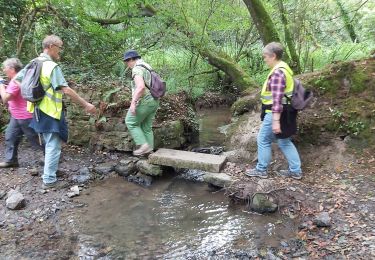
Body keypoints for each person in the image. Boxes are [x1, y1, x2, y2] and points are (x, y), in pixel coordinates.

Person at [15, 35, 96, 188]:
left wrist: (33, 95)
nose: (60, 51)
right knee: (53, 144)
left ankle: (50, 172)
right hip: (50, 110)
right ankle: (49, 180)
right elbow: (66, 89)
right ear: (51, 46)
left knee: (49, 142)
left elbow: (18, 80)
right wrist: (86, 105)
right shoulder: (51, 66)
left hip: (37, 109)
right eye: (60, 47)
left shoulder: (33, 63)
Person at [245, 42, 302, 180]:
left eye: (265, 57)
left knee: (263, 139)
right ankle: (296, 171)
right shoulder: (285, 69)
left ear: (273, 56)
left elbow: (277, 100)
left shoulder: (277, 73)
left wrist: (275, 121)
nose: (264, 59)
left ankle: (261, 170)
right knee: (284, 141)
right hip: (287, 111)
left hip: (276, 113)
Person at [0, 58, 43, 168]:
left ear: (12, 69)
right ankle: (11, 160)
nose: (3, 69)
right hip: (17, 116)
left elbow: (5, 98)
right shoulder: (18, 78)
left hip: (26, 116)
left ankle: (48, 164)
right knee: (10, 136)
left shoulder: (16, 81)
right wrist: (5, 87)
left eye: (5, 68)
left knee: (35, 140)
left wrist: (0, 85)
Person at [123, 50, 160, 156]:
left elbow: (140, 87)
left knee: (130, 122)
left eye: (127, 61)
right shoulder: (146, 65)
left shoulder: (136, 69)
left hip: (144, 102)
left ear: (131, 59)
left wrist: (133, 104)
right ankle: (150, 153)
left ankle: (143, 146)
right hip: (154, 100)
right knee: (146, 127)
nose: (127, 64)